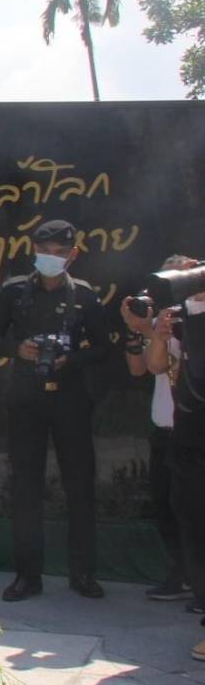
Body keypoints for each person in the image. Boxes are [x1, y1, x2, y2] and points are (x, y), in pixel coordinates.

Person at [0, 219, 113, 602]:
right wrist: (16, 348)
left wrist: (70, 359)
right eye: (44, 252)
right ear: (34, 251)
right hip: (26, 400)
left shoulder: (86, 296)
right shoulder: (13, 292)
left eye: (59, 253)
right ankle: (28, 576)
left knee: (80, 486)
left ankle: (83, 573)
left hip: (71, 400)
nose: (51, 259)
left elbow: (104, 347)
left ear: (72, 255)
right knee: (26, 487)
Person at [119, 255, 196, 605]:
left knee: (195, 511)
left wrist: (151, 329)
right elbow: (144, 368)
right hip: (163, 425)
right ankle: (182, 576)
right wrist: (137, 330)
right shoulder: (164, 320)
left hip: (194, 428)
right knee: (167, 506)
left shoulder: (193, 320)